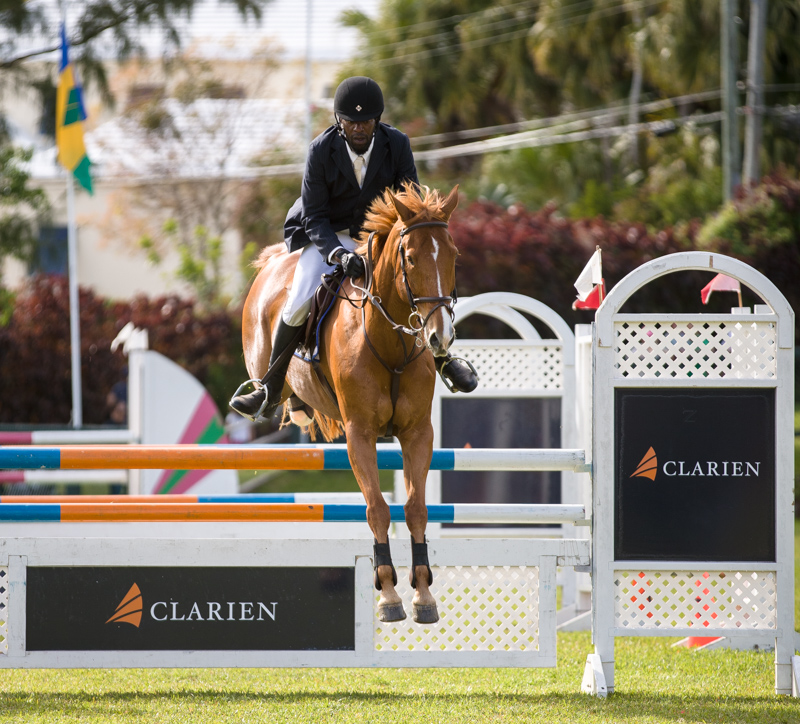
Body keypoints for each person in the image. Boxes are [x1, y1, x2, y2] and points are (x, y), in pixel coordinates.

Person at [231, 76, 478, 420]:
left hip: (377, 238)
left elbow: (410, 201)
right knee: (299, 297)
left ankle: (443, 359)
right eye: (351, 122)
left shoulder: (397, 144)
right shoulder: (321, 150)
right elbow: (314, 216)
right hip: (327, 236)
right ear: (339, 121)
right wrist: (337, 254)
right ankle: (270, 386)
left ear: (377, 120)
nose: (359, 128)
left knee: (420, 280)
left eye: (366, 121)